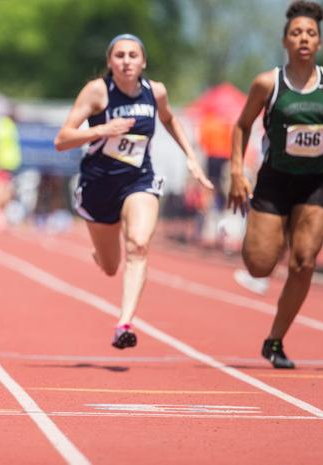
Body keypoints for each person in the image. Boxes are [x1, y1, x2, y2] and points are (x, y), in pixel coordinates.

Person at [228, 0, 323, 369]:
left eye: (310, 33)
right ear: (285, 41)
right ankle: (271, 235)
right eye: (296, 33)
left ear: (319, 42)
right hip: (275, 181)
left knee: (305, 260)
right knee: (260, 265)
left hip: (317, 183)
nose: (303, 39)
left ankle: (275, 340)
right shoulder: (267, 83)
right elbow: (242, 125)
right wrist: (236, 172)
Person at [55, 34, 213, 350]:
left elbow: (170, 120)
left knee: (139, 245)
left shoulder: (155, 92)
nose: (126, 61)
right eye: (120, 56)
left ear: (143, 62)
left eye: (133, 55)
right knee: (111, 266)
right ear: (110, 62)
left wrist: (192, 157)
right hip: (99, 185)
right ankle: (101, 253)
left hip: (139, 179)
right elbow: (62, 139)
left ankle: (124, 323)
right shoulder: (98, 92)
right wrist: (102, 129)